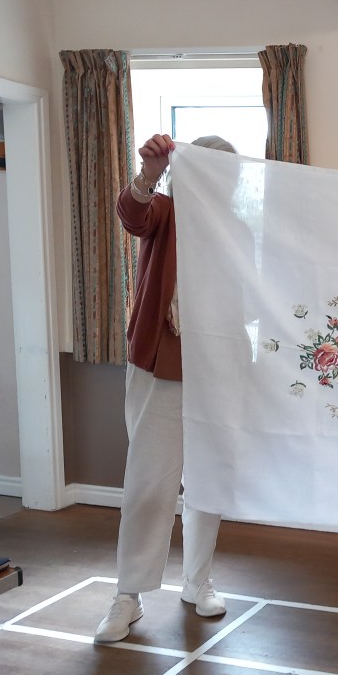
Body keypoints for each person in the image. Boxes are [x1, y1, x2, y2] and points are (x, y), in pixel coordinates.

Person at [94, 134, 236, 643]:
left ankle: (198, 581)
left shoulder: (238, 231)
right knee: (148, 483)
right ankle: (127, 596)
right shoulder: (166, 211)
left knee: (207, 481)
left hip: (217, 370)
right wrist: (148, 175)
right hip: (161, 365)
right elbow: (133, 215)